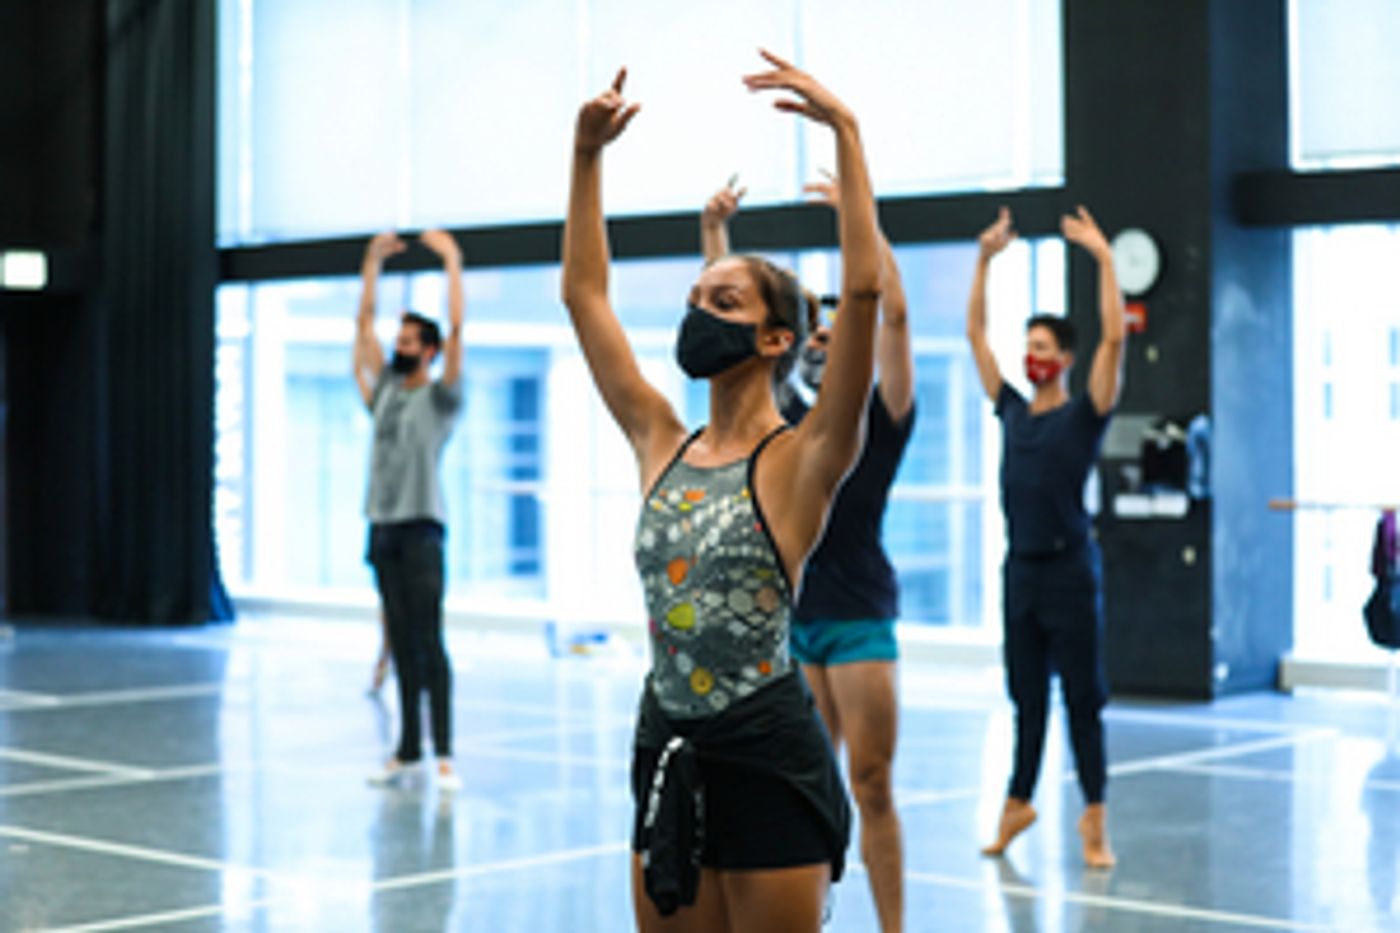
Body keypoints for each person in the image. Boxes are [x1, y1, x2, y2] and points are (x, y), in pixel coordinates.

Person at [562, 53, 881, 932]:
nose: (699, 311)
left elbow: (860, 289)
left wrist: (847, 134)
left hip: (769, 753)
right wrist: (586, 157)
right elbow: (586, 296)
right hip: (665, 739)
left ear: (778, 337)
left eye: (725, 300)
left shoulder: (805, 456)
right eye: (696, 296)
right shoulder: (659, 437)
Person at [700, 172, 915, 933]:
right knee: (802, 785)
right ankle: (806, 908)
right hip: (794, 618)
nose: (825, 348)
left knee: (871, 779)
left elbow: (889, 316)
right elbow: (730, 341)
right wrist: (715, 239)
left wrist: (865, 219)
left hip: (858, 614)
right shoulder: (787, 425)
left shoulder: (878, 419)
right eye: (813, 339)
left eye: (834, 341)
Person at [967, 206, 1126, 869]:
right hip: (1021, 571)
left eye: (1040, 348)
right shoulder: (1009, 408)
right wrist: (982, 262)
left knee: (1082, 700)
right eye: (1026, 346)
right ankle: (1017, 803)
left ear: (1062, 359)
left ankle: (1094, 818)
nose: (1029, 356)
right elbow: (975, 334)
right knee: (1025, 697)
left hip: (1070, 571)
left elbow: (1114, 340)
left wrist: (1104, 258)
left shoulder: (1084, 414)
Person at [354, 228, 466, 792]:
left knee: (429, 638)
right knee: (399, 637)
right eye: (395, 336)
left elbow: (459, 330)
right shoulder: (384, 394)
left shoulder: (440, 397)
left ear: (427, 349)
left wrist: (451, 262)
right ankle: (406, 751)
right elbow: (360, 329)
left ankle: (444, 753)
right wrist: (371, 265)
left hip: (423, 529)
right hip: (383, 528)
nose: (397, 345)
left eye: (407, 339)